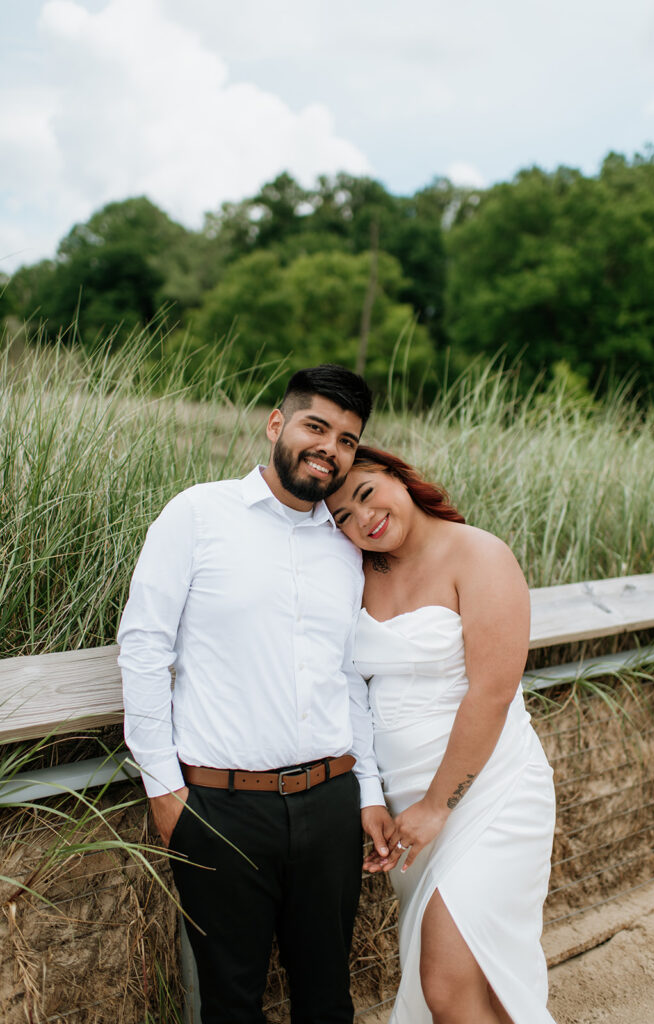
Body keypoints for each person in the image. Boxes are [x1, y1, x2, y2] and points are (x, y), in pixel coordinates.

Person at [117, 365, 395, 1024]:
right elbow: (145, 647)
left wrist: (371, 791)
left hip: (330, 803)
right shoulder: (198, 513)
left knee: (329, 1000)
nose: (330, 448)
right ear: (277, 425)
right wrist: (162, 786)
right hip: (221, 809)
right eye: (316, 426)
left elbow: (349, 676)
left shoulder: (346, 546)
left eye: (348, 440)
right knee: (232, 1004)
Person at [327, 446, 557, 1024]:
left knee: (445, 982)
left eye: (365, 492)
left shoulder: (478, 554)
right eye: (343, 519)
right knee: (482, 980)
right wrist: (374, 796)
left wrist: (436, 805)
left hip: (489, 792)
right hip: (406, 804)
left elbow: (493, 692)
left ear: (398, 476)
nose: (364, 520)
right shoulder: (355, 575)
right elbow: (349, 689)